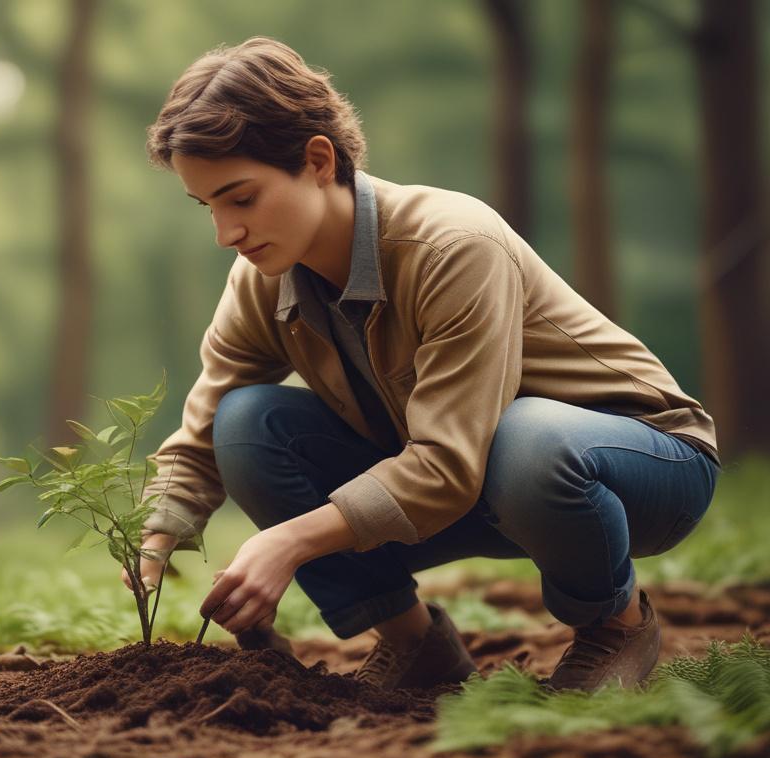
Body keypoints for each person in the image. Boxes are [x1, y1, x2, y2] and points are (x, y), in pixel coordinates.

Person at [122, 37, 720, 692]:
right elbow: (208, 429)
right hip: (472, 484)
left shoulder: (452, 244)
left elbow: (449, 461)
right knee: (245, 423)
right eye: (208, 206)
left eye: (241, 198)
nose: (226, 233)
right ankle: (416, 648)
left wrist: (288, 542)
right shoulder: (262, 279)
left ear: (317, 160)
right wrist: (157, 535)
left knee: (527, 440)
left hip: (639, 467)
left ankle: (618, 628)